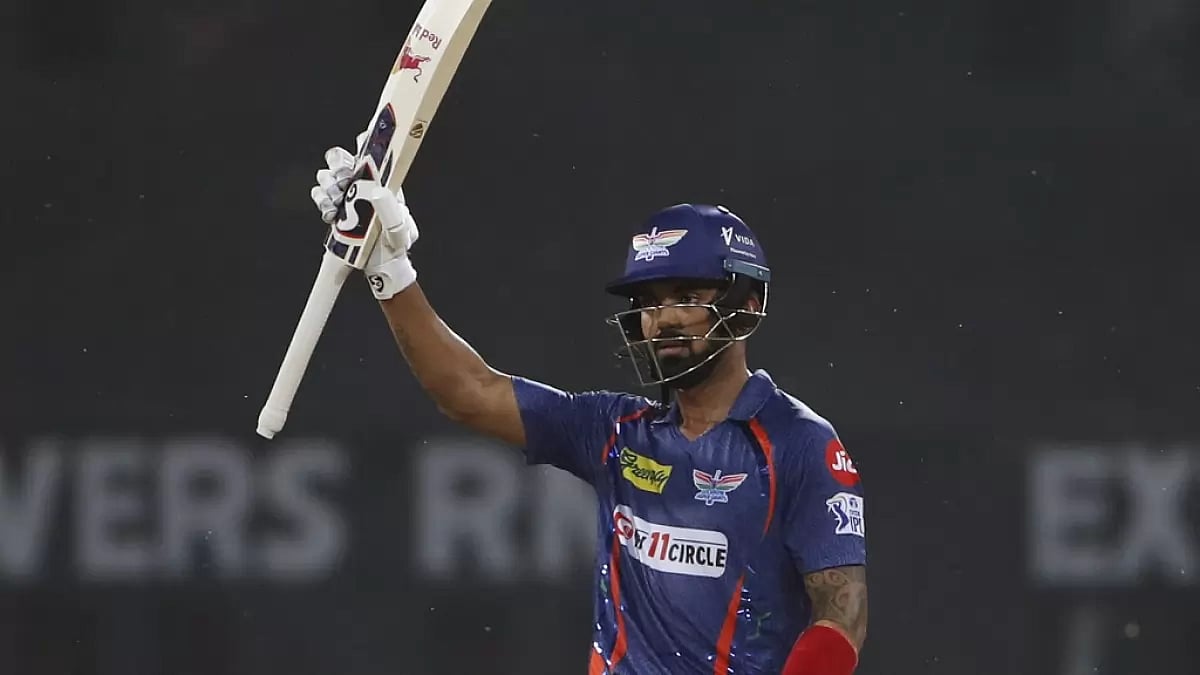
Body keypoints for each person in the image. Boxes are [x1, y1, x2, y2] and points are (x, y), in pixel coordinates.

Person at [310, 144, 869, 675]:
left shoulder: (798, 442)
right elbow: (469, 392)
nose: (663, 320)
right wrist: (390, 270)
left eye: (687, 298)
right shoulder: (615, 432)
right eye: (649, 303)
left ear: (746, 306)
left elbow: (843, 614)